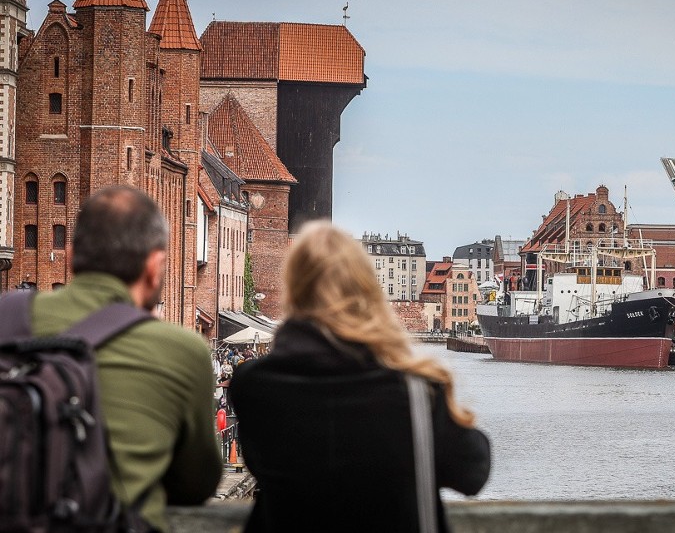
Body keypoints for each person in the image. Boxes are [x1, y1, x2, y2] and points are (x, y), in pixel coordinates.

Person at [230, 221, 491, 532]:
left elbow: (263, 464)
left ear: (295, 292)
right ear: (367, 291)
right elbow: (473, 472)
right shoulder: (415, 392)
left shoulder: (255, 386)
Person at [28, 186, 222, 532]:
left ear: (70, 257)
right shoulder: (182, 349)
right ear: (154, 267)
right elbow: (198, 483)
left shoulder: (8, 319)